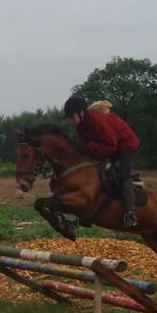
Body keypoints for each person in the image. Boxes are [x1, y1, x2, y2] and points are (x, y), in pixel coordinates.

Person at [63, 97, 140, 228]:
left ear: (81, 113)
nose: (71, 121)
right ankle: (86, 213)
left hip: (126, 144)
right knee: (92, 173)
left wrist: (87, 148)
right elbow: (91, 146)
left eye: (72, 117)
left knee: (123, 174)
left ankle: (131, 213)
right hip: (110, 146)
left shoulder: (96, 119)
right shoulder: (80, 127)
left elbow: (110, 145)